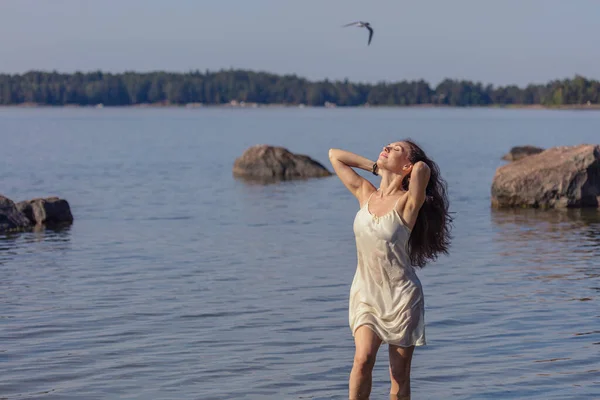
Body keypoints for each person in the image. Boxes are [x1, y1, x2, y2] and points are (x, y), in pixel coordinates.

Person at [328, 140, 452, 400]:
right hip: (366, 294)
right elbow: (335, 155)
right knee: (362, 360)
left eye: (395, 149)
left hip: (401, 297)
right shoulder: (365, 193)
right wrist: (376, 167)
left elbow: (422, 170)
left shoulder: (408, 203)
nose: (386, 147)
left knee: (398, 376)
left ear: (406, 164)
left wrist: (404, 168)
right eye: (387, 145)